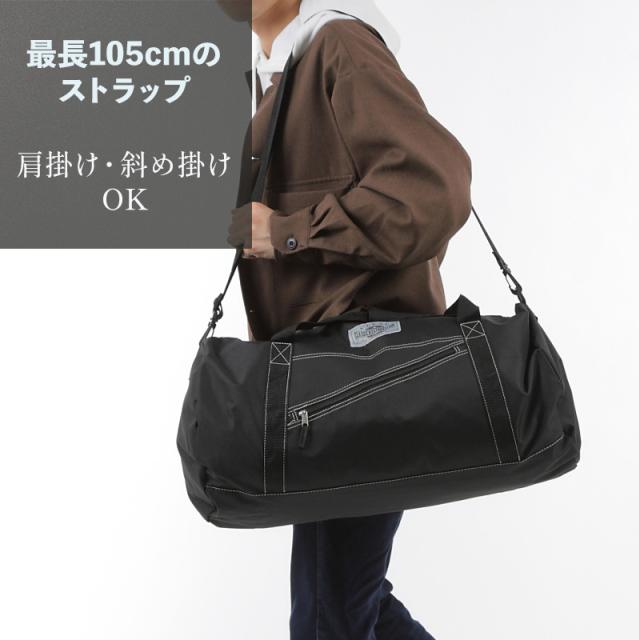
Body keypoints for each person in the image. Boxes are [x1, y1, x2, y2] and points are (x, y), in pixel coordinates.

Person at [221, 1, 472, 638]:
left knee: (330, 614)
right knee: (348, 603)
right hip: (331, 396)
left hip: (363, 387)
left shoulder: (340, 46)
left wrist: (289, 232)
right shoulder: (280, 71)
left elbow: (433, 190)